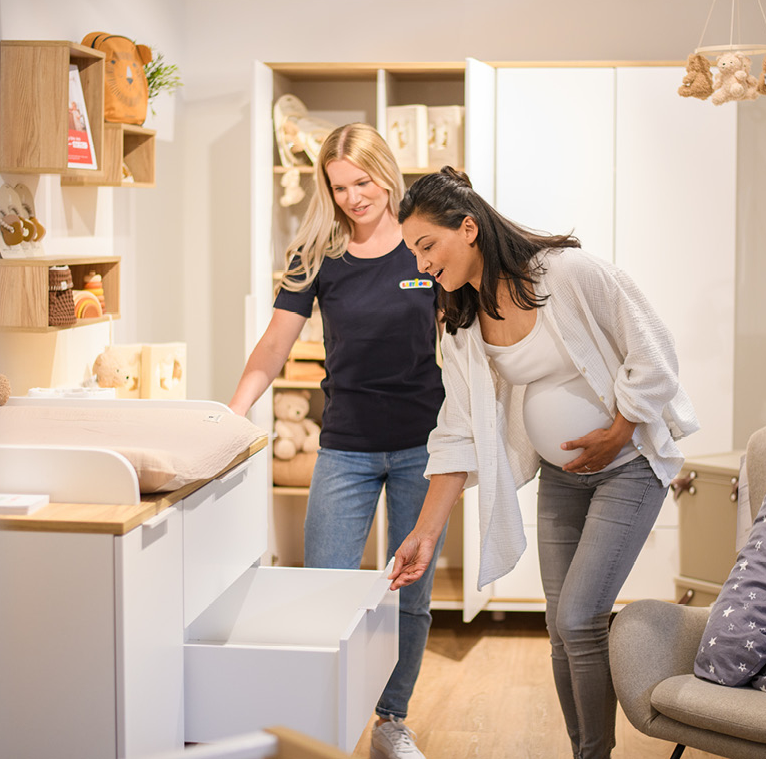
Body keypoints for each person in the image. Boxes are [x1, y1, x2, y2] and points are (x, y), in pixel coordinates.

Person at [389, 166, 699, 759]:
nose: (421, 263)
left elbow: (654, 349)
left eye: (427, 246)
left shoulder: (569, 274)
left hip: (629, 467)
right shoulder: (459, 321)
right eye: (413, 253)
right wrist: (425, 535)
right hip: (562, 477)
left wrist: (622, 427)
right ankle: (588, 751)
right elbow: (455, 431)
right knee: (563, 631)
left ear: (469, 227)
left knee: (582, 617)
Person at [229, 123, 447, 759]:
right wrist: (233, 414)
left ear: (386, 172)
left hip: (423, 447)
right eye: (340, 187)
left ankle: (389, 722)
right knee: (324, 590)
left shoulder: (423, 247)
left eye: (363, 182)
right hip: (346, 445)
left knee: (410, 596)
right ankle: (321, 723)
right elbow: (274, 345)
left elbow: (463, 345)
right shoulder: (316, 254)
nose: (354, 197)